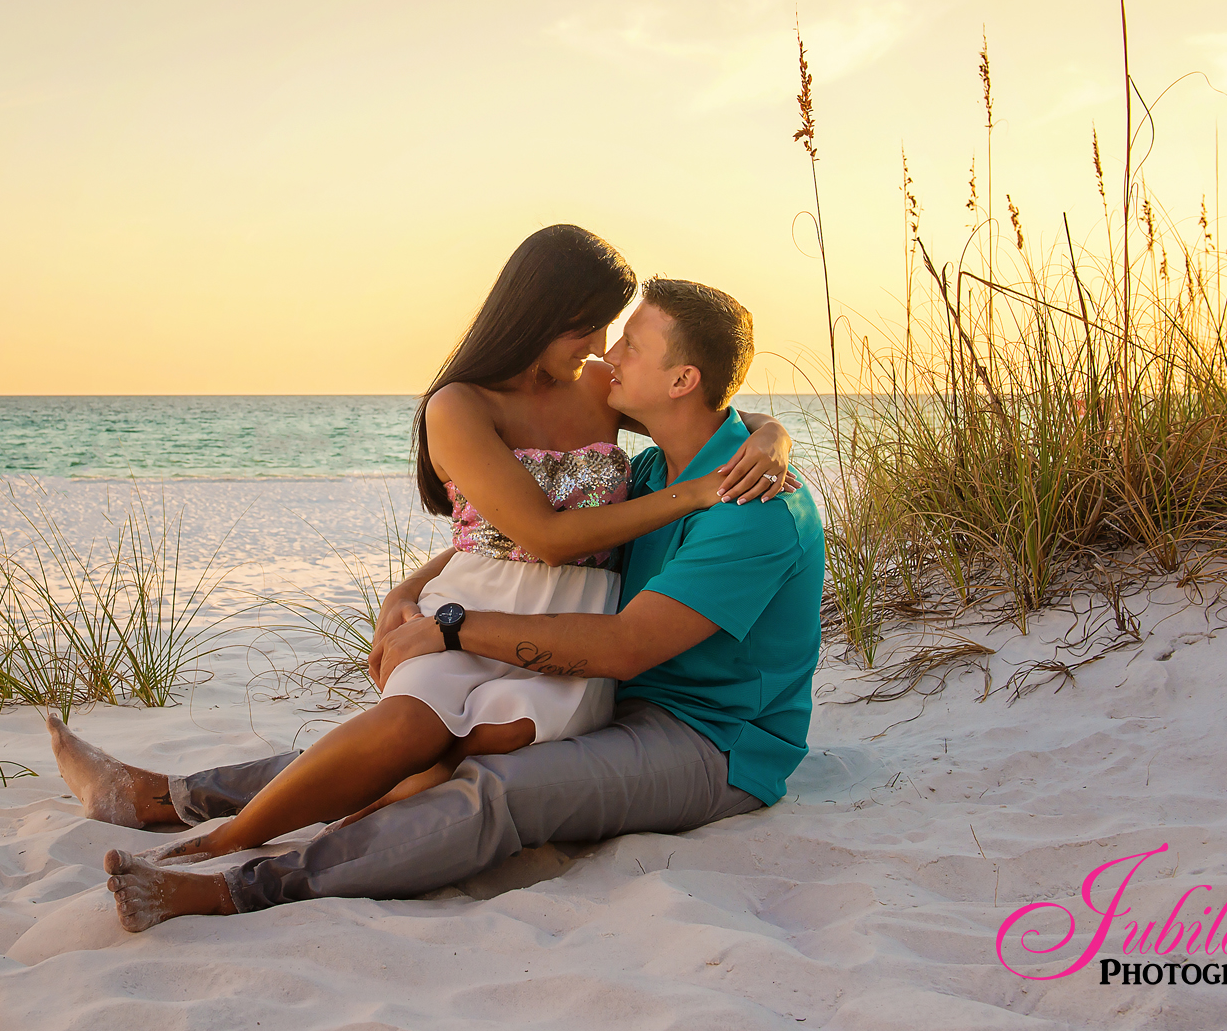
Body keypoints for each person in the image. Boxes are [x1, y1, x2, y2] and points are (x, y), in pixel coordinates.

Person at [48, 273, 826, 931]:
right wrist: (417, 590)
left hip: (715, 743)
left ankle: (248, 884)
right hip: (626, 700)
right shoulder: (663, 466)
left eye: (629, 344)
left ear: (681, 380)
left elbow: (623, 645)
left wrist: (450, 629)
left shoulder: (752, 510)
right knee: (408, 738)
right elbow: (527, 533)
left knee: (498, 791)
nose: (605, 355)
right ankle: (167, 797)